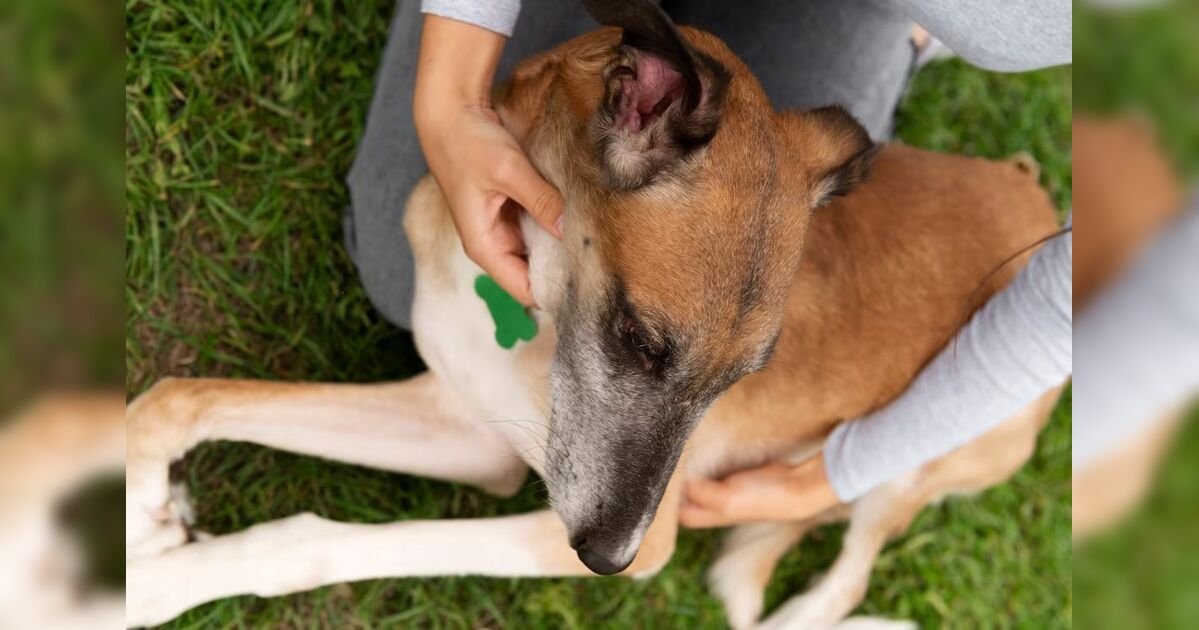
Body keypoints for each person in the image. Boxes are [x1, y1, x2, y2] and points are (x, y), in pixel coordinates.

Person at [344, 0, 1073, 525]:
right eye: (640, 342)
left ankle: (915, 28)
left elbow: (1059, 313)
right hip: (647, 77)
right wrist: (451, 94)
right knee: (396, 252)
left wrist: (832, 474)